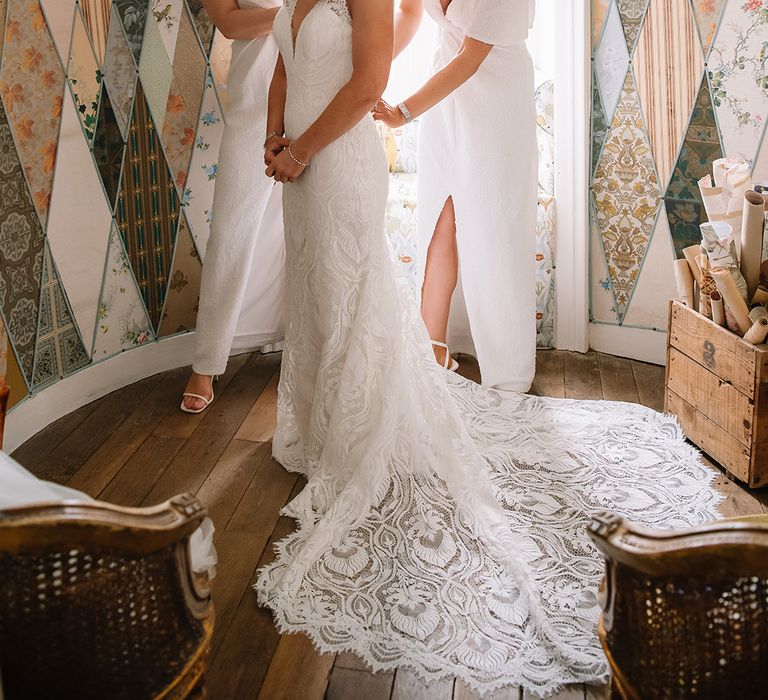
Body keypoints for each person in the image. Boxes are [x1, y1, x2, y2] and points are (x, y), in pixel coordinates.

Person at [254, 0, 721, 694]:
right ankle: (345, 405)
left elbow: (390, 71)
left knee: (400, 268)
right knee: (336, 279)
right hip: (322, 150)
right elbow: (290, 66)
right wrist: (276, 138)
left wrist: (327, 137)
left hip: (389, 135)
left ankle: (429, 395)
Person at [374, 0, 537, 391]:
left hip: (497, 100)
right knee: (440, 212)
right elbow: (408, 12)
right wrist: (366, 66)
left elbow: (470, 58)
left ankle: (508, 368)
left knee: (493, 226)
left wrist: (403, 111)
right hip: (445, 96)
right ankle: (432, 346)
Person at [181, 0, 285, 413]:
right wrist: (291, 16)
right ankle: (206, 364)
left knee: (307, 225)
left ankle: (301, 341)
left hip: (320, 92)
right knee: (232, 227)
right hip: (255, 100)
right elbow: (227, 23)